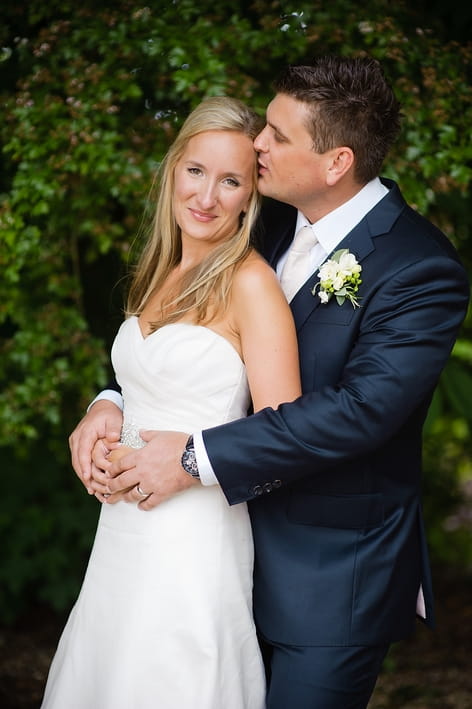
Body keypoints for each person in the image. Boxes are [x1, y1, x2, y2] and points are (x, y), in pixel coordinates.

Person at [70, 56, 470, 709]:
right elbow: (177, 329)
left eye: (278, 135)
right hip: (214, 555)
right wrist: (110, 400)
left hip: (329, 577)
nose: (257, 143)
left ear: (336, 161)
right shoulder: (265, 215)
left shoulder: (418, 266)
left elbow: (361, 412)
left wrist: (196, 456)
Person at [41, 96, 302, 709]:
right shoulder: (159, 269)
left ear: (250, 196)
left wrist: (191, 464)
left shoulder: (251, 283)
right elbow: (148, 385)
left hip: (196, 542)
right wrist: (105, 406)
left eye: (231, 180)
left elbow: (287, 436)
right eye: (196, 171)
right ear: (172, 170)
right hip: (122, 537)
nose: (207, 196)